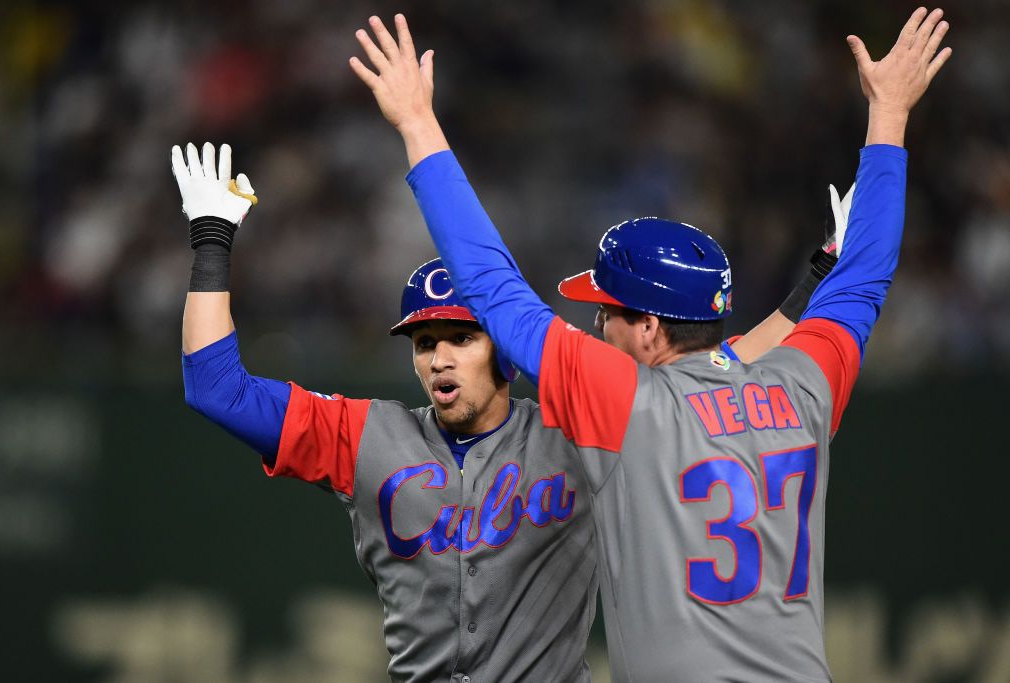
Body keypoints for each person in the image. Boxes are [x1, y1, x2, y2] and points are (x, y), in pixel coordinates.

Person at [351, 7, 950, 681]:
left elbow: (491, 287)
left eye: (606, 311)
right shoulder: (802, 385)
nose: (595, 326)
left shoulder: (624, 405)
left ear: (648, 327)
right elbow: (863, 277)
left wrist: (416, 123)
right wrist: (890, 114)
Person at [171, 140, 848, 682]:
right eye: (424, 341)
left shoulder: (579, 430)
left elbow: (715, 371)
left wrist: (816, 278)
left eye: (460, 338)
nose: (438, 357)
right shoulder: (365, 436)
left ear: (505, 345)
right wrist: (211, 243)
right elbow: (215, 389)